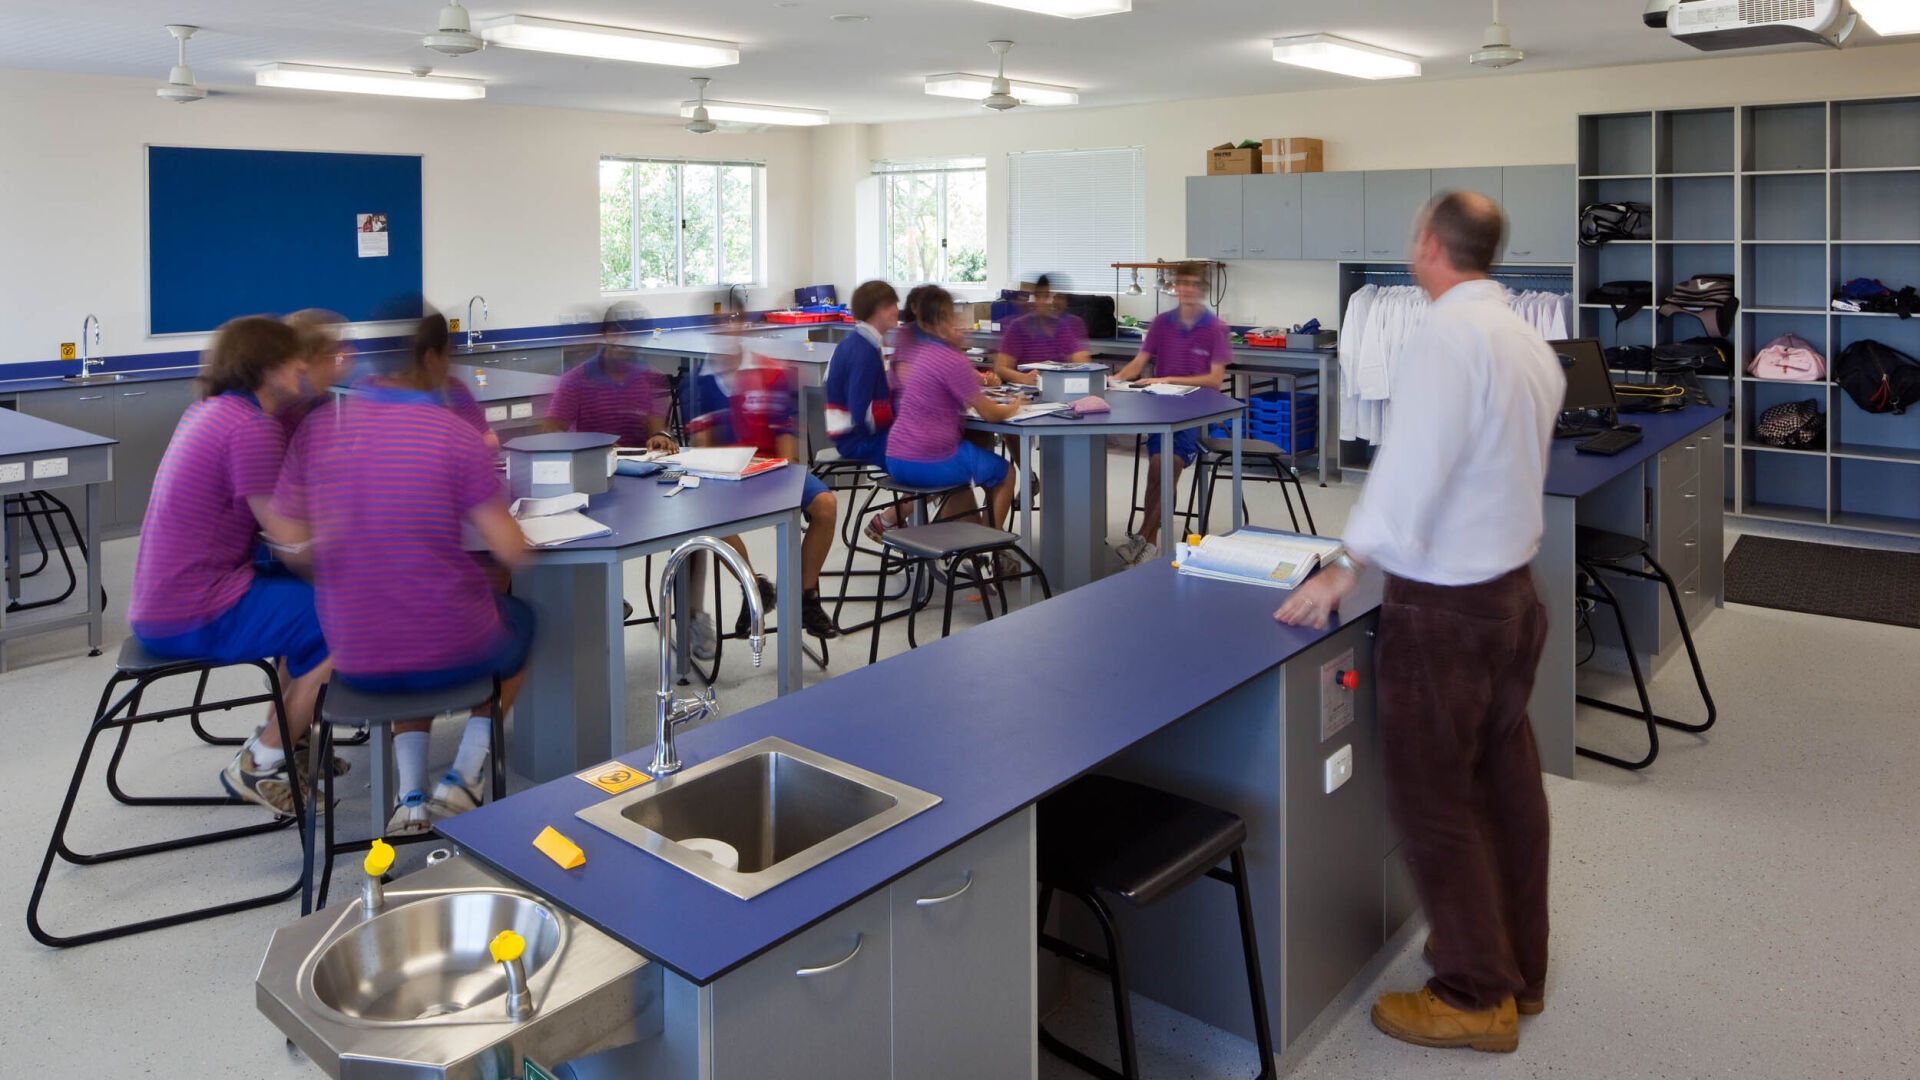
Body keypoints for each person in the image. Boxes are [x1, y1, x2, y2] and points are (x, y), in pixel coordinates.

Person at [1274, 192, 1563, 1054]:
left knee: (1433, 798)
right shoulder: (1526, 339)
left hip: (1447, 608)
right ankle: (1519, 965)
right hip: (1515, 596)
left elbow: (1411, 466)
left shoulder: (1447, 334)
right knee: (1506, 789)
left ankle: (1475, 994)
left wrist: (1343, 564)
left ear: (1432, 245)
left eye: (1413, 235)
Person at [270, 312, 535, 836]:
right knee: (515, 624)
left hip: (354, 654)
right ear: (433, 359)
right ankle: (464, 776)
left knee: (405, 623)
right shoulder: (451, 434)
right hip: (440, 645)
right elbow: (510, 548)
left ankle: (409, 795)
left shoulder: (325, 427)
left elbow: (291, 544)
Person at [128, 316, 333, 815]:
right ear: (269, 367)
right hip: (195, 609)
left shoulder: (210, 412)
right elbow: (290, 541)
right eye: (293, 359)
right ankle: (260, 761)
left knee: (302, 606)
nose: (302, 367)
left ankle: (287, 739)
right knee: (344, 616)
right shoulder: (252, 428)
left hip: (164, 600)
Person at [682, 341, 842, 640]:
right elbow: (705, 449)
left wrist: (779, 474)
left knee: (826, 503)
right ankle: (754, 587)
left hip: (773, 468)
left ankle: (805, 596)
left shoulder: (771, 373)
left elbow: (788, 448)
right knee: (709, 519)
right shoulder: (698, 382)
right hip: (727, 473)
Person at [1111, 262, 1231, 566]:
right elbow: (1138, 364)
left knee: (1167, 468)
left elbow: (1215, 380)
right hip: (1161, 410)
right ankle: (1146, 540)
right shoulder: (1162, 323)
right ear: (1175, 287)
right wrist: (1113, 382)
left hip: (1194, 412)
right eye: (1182, 283)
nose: (1186, 289)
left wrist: (1168, 379)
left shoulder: (1216, 329)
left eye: (1192, 283)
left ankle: (1145, 539)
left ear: (1201, 288)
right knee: (1156, 470)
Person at [884, 286, 1023, 530]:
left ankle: (965, 543)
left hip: (896, 457)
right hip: (930, 460)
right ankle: (985, 548)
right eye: (954, 318)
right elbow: (990, 414)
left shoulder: (920, 354)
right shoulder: (952, 360)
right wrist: (1015, 406)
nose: (961, 325)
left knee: (968, 465)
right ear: (940, 322)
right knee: (1006, 474)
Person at [825, 280, 908, 541]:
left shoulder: (862, 342)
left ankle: (898, 520)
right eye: (890, 305)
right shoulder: (863, 350)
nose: (897, 309)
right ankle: (889, 520)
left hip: (857, 434)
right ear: (875, 311)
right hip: (856, 439)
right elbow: (862, 416)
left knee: (931, 454)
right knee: (930, 456)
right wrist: (902, 411)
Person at [542, 306, 675, 453]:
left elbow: (656, 424)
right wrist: (592, 446)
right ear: (605, 334)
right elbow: (552, 428)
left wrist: (660, 436)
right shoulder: (576, 379)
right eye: (616, 332)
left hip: (642, 462)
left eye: (631, 334)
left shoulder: (652, 377)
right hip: (594, 461)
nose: (623, 340)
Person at [993, 274, 1091, 387]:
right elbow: (1000, 368)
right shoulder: (1019, 327)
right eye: (1040, 297)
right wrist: (1023, 378)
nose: (1045, 302)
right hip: (1026, 391)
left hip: (1054, 389)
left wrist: (1082, 366)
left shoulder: (1062, 327)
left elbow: (1081, 361)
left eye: (1049, 297)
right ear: (1035, 298)